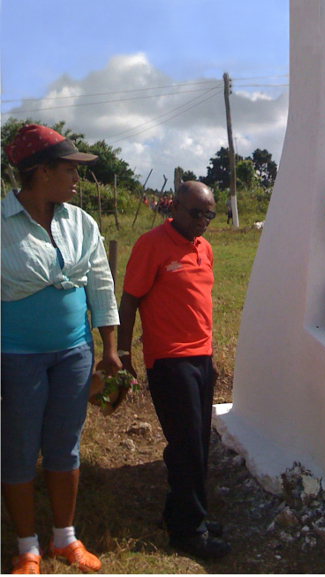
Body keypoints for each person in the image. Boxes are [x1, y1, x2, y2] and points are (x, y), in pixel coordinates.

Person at [2, 124, 120, 575]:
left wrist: (109, 347)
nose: (77, 180)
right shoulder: (1, 223)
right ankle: (27, 545)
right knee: (18, 447)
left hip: (73, 352)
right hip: (16, 356)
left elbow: (101, 283)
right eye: (69, 171)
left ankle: (64, 538)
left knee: (64, 445)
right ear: (40, 172)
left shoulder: (80, 222)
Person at [117, 181, 230, 561]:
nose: (202, 221)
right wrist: (123, 352)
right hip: (169, 360)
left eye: (209, 215)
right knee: (185, 447)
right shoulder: (151, 245)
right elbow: (130, 299)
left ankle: (181, 512)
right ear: (175, 207)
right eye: (194, 212)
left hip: (202, 357)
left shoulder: (205, 248)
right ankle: (189, 531)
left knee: (197, 443)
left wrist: (209, 357)